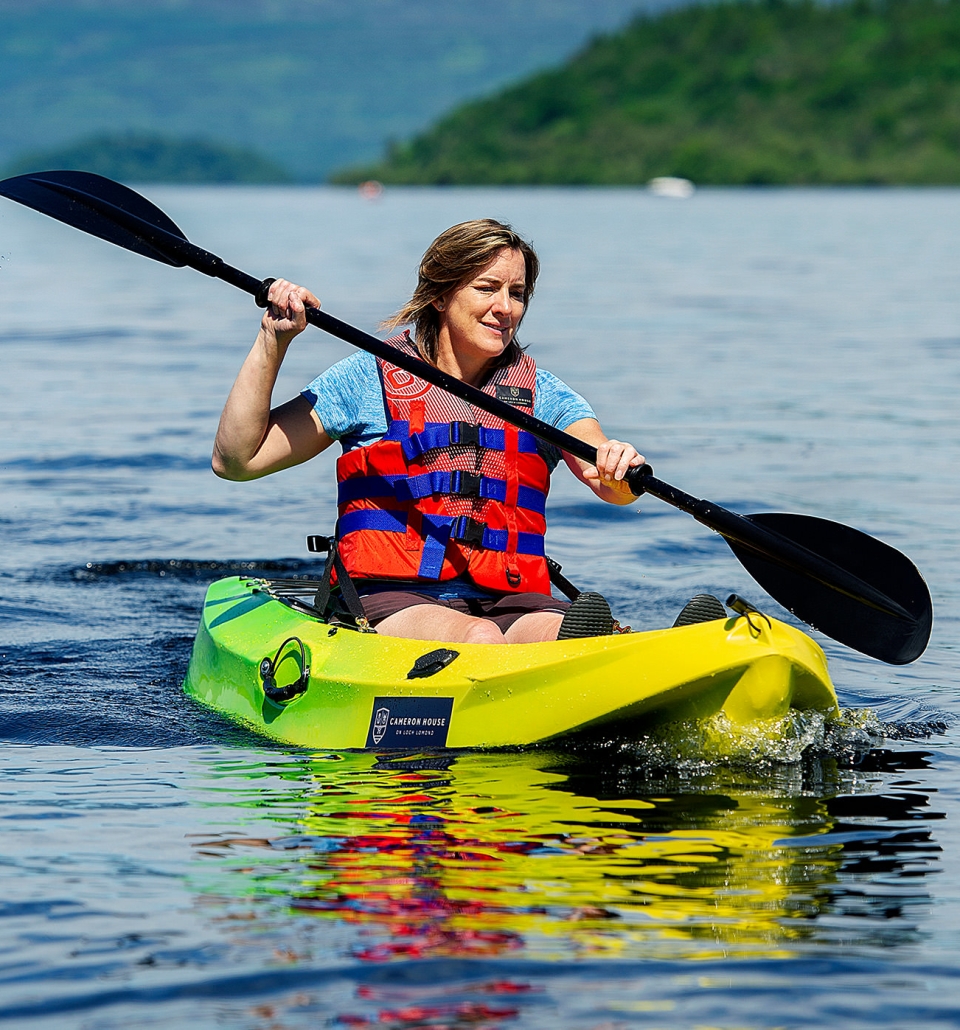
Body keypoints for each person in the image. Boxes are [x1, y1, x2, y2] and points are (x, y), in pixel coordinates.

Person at [212, 219, 645, 645]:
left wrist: (616, 465)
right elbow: (237, 461)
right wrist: (274, 339)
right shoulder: (369, 377)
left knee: (566, 635)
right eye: (487, 288)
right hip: (388, 594)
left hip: (510, 598)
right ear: (439, 295)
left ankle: (623, 652)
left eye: (517, 293)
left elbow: (607, 480)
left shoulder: (543, 394)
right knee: (479, 638)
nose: (506, 308)